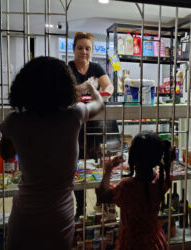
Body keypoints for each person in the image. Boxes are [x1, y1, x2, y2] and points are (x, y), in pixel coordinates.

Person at [0, 56, 104, 250]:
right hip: (59, 218)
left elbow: (6, 154)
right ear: (65, 87)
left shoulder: (15, 121)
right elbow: (99, 104)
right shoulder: (75, 115)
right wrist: (91, 88)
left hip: (24, 218)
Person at [68, 32, 120, 220]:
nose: (84, 52)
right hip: (76, 123)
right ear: (74, 49)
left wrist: (101, 91)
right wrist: (86, 87)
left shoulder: (97, 67)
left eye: (88, 48)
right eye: (80, 48)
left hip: (96, 122)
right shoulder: (68, 68)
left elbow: (109, 87)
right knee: (78, 164)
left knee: (99, 161)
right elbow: (67, 91)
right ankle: (80, 208)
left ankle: (102, 202)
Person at [96, 131, 174, 250]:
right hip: (155, 242)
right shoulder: (161, 180)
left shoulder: (127, 187)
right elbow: (166, 172)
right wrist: (169, 160)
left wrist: (109, 168)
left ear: (132, 157)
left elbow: (102, 195)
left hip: (131, 243)